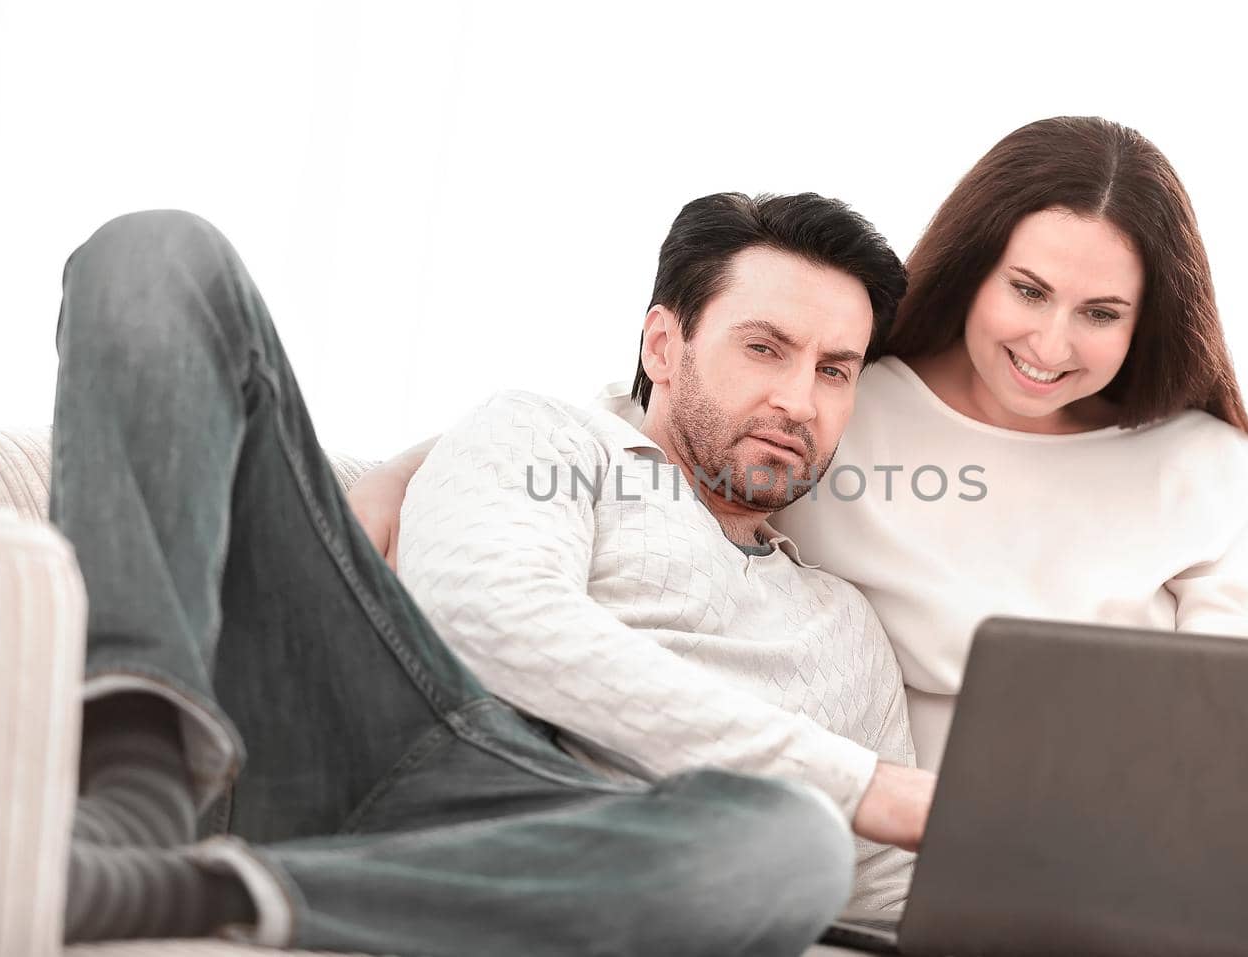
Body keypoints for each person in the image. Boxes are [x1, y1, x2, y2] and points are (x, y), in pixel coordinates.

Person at [357, 119, 1248, 956]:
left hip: (1196, 820)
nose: (1050, 343)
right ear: (976, 267)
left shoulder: (1203, 466)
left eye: (1100, 313)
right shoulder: (842, 395)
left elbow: (1241, 690)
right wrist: (392, 481)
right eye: (1027, 291)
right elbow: (640, 422)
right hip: (994, 844)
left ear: (1149, 322)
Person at [48, 202, 896, 957]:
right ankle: (135, 793)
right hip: (383, 719)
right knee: (160, 256)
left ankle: (203, 893)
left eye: (834, 370)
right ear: (664, 347)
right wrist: (856, 782)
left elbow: (889, 893)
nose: (798, 399)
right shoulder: (554, 436)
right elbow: (484, 617)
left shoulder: (846, 627)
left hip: (565, 847)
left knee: (794, 844)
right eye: (764, 348)